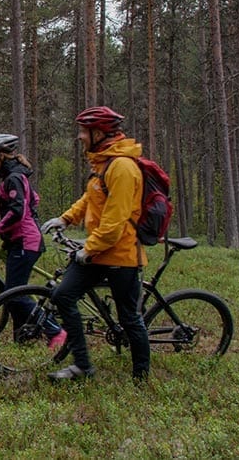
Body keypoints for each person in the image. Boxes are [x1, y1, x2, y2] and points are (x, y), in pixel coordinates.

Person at [40, 106, 150, 381]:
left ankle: (141, 377)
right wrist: (65, 219)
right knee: (63, 295)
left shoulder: (122, 167)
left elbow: (114, 224)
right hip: (99, 252)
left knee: (129, 318)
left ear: (98, 133)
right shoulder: (103, 162)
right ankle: (82, 366)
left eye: (83, 131)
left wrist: (88, 249)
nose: (80, 137)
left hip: (121, 255)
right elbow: (91, 199)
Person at [0, 133, 65, 349]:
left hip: (25, 241)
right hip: (20, 239)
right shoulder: (15, 176)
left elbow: (18, 211)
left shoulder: (13, 178)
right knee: (14, 293)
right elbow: (34, 200)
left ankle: (56, 331)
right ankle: (23, 337)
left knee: (14, 295)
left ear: (1, 155)